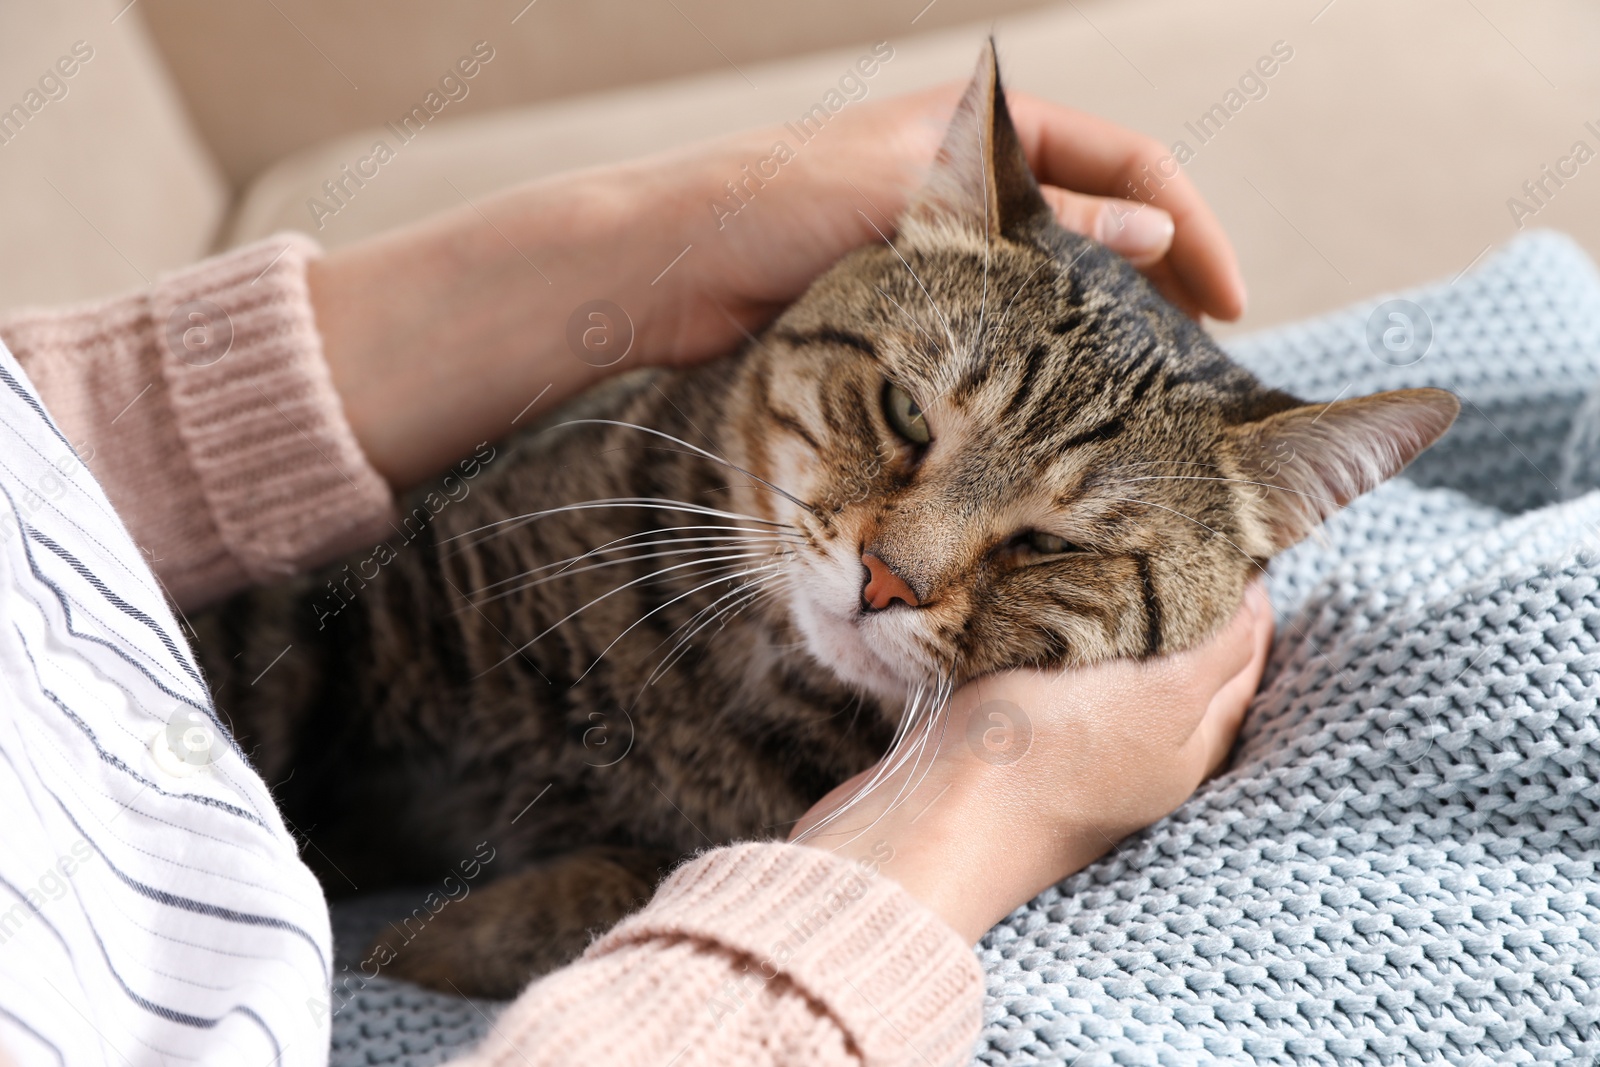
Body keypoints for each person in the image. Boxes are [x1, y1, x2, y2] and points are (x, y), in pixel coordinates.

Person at [0, 81, 1269, 1067]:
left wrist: (616, 240)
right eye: (897, 412)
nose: (897, 563)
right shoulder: (620, 486)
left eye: (1048, 547)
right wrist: (951, 837)